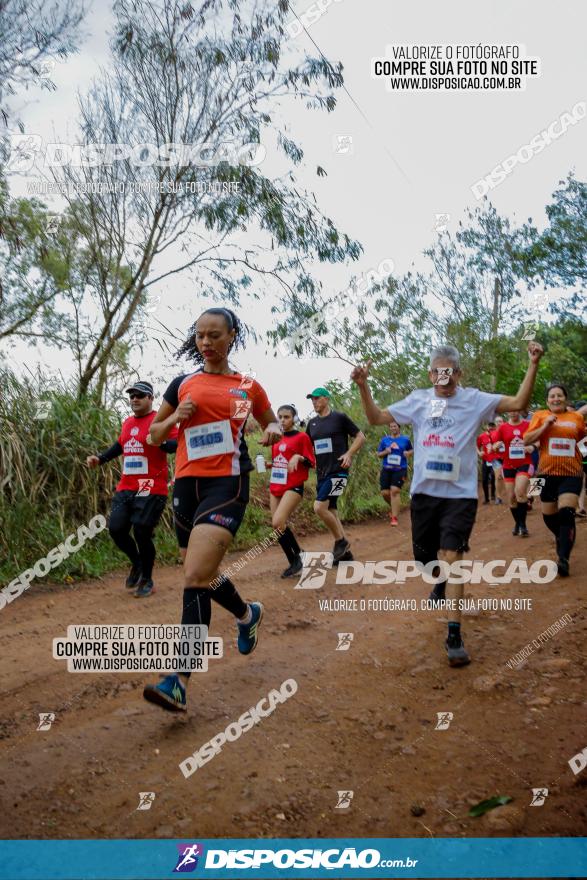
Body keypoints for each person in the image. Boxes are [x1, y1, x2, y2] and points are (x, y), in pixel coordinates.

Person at [351, 341, 544, 667]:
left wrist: (533, 363)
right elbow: (375, 418)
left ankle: (454, 633)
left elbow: (520, 401)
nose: (445, 377)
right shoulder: (418, 401)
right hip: (425, 495)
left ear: (459, 373)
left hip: (461, 495)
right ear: (430, 374)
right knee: (425, 559)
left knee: (454, 556)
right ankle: (438, 579)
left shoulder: (474, 400)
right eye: (439, 371)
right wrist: (363, 386)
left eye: (450, 371)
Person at [141, 308, 282, 711]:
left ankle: (178, 679)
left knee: (195, 577)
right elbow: (154, 435)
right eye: (201, 335)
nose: (207, 342)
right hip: (186, 483)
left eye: (215, 335)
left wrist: (271, 431)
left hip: (227, 482)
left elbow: (271, 424)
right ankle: (246, 613)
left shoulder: (248, 386)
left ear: (232, 336)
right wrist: (173, 421)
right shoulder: (182, 383)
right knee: (199, 570)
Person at [85, 381, 178, 598]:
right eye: (132, 395)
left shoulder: (160, 420)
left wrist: (159, 442)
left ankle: (147, 578)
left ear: (150, 398)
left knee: (142, 531)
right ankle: (137, 563)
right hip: (126, 487)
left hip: (151, 487)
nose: (134, 399)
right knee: (116, 529)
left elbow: (177, 444)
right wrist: (100, 459)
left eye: (140, 395)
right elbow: (121, 446)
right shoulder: (127, 422)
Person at [524, 384, 586, 577]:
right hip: (546, 474)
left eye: (560, 396)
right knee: (548, 516)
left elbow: (582, 438)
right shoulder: (540, 416)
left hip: (572, 472)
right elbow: (527, 440)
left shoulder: (576, 418)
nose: (556, 399)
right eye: (552, 396)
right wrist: (546, 426)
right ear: (547, 401)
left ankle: (563, 558)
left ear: (565, 399)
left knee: (566, 512)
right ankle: (562, 537)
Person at [305, 388, 366, 564]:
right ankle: (345, 555)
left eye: (317, 398)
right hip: (322, 473)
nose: (314, 402)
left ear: (326, 398)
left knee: (319, 507)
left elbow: (360, 437)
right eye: (312, 399)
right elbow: (307, 447)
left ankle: (341, 541)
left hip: (339, 471)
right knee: (331, 509)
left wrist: (349, 454)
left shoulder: (339, 418)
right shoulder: (312, 424)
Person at [267, 404, 316, 577]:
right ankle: (297, 557)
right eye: (280, 417)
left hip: (294, 485)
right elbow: (279, 461)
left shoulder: (302, 437)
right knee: (277, 527)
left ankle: (296, 560)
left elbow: (311, 462)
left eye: (286, 417)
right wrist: (269, 465)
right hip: (276, 485)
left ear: (294, 418)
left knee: (277, 522)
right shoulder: (276, 438)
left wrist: (299, 456)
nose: (282, 420)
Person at [491, 411, 534, 537]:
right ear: (508, 412)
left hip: (525, 463)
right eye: (511, 410)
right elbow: (494, 446)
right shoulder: (503, 427)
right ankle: (518, 523)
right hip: (508, 465)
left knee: (520, 492)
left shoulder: (528, 425)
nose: (514, 412)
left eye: (516, 410)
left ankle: (523, 525)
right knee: (511, 498)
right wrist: (496, 446)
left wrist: (532, 447)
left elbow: (537, 440)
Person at [376, 420, 413, 525]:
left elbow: (411, 450)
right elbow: (379, 454)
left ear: (399, 427)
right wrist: (386, 452)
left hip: (400, 469)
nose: (393, 428)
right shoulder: (385, 440)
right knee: (385, 493)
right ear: (389, 428)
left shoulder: (405, 440)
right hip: (387, 469)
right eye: (391, 426)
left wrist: (408, 453)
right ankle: (394, 507)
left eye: (395, 426)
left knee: (395, 491)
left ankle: (394, 517)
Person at [476, 422, 496, 504]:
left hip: (495, 460)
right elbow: (476, 445)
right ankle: (486, 498)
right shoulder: (482, 436)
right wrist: (479, 452)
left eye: (492, 425)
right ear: (486, 426)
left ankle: (493, 495)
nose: (491, 427)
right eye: (489, 425)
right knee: (484, 480)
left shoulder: (497, 434)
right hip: (485, 460)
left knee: (494, 477)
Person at [489, 416, 505, 504]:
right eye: (497, 421)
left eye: (500, 421)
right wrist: (494, 447)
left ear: (503, 422)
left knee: (507, 478)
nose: (499, 423)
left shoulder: (507, 431)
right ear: (495, 423)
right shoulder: (492, 433)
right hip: (496, 458)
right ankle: (498, 497)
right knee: (498, 477)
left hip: (507, 458)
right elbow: (489, 446)